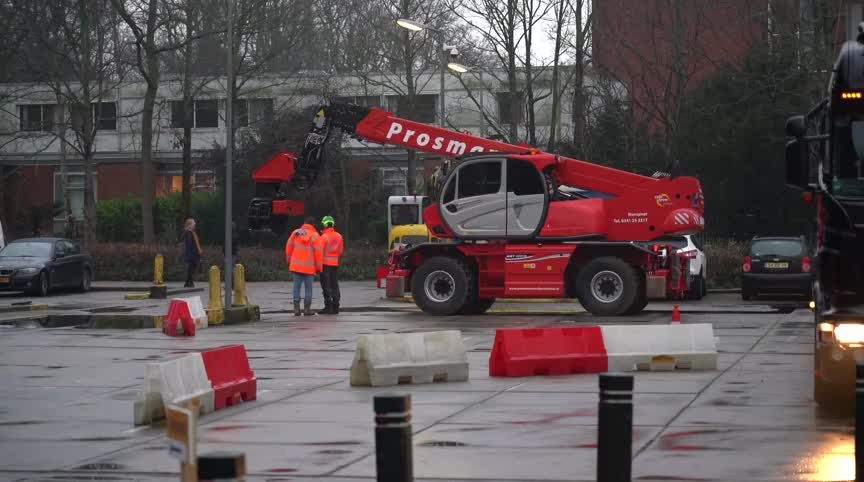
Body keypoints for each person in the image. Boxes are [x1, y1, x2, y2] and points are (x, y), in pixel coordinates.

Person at [285, 216, 323, 316]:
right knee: (308, 289)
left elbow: (289, 248)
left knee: (296, 288)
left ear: (304, 223)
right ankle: (307, 310)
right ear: (313, 224)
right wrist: (319, 268)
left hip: (296, 266)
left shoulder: (296, 233)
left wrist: (289, 261)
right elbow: (318, 253)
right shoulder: (315, 236)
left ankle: (296, 310)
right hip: (309, 268)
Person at [318, 215, 344, 314]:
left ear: (324, 224)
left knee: (326, 286)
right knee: (334, 285)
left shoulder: (324, 237)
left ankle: (328, 307)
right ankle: (336, 306)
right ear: (333, 224)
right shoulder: (339, 236)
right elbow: (340, 251)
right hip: (335, 264)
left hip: (325, 264)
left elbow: (319, 252)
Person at [182, 218, 203, 287]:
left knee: (192, 267)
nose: (194, 225)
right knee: (192, 267)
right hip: (192, 254)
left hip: (192, 253)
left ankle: (189, 282)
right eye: (193, 224)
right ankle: (189, 282)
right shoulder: (189, 233)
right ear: (189, 225)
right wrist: (196, 252)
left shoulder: (191, 233)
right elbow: (191, 245)